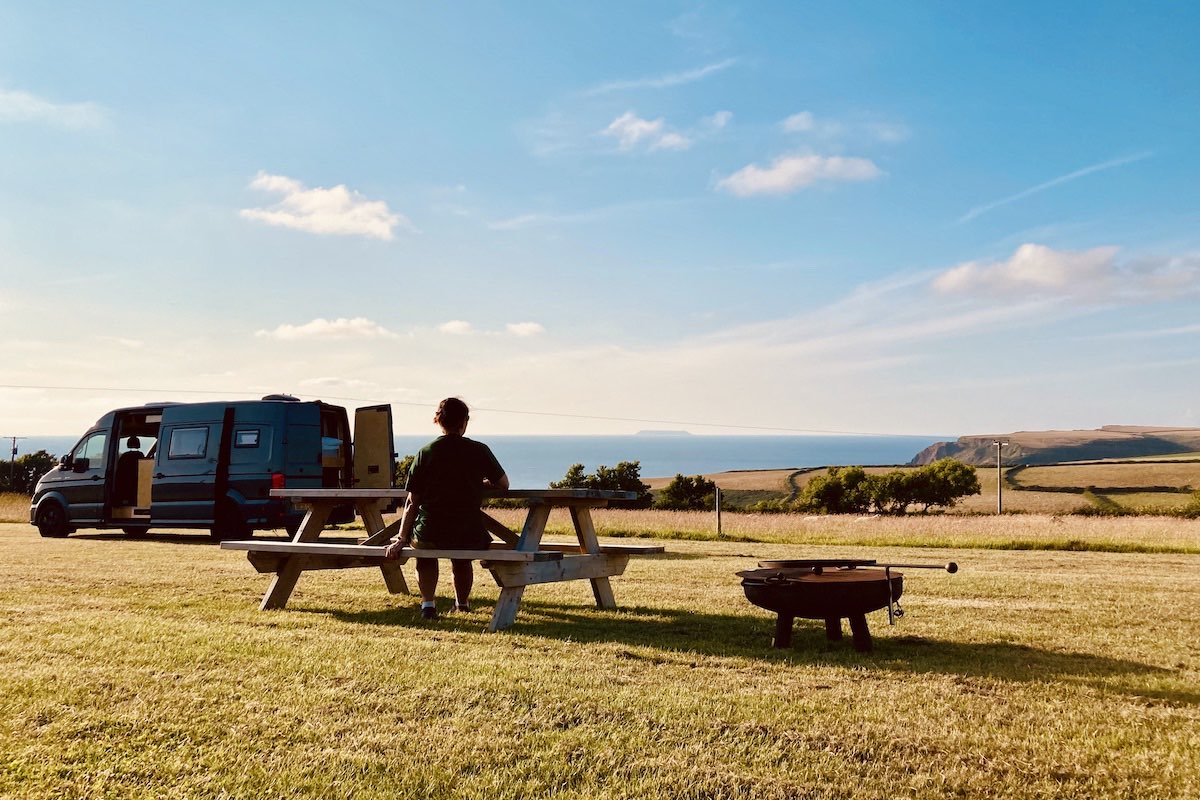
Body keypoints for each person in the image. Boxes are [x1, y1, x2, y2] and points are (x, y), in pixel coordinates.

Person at [384, 397, 509, 620]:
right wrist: (476, 485)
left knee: (424, 555)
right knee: (462, 558)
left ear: (438, 421)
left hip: (430, 530)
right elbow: (503, 484)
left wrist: (402, 537)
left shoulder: (426, 452)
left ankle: (428, 605)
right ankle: (462, 604)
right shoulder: (479, 450)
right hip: (468, 532)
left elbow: (413, 500)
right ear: (465, 421)